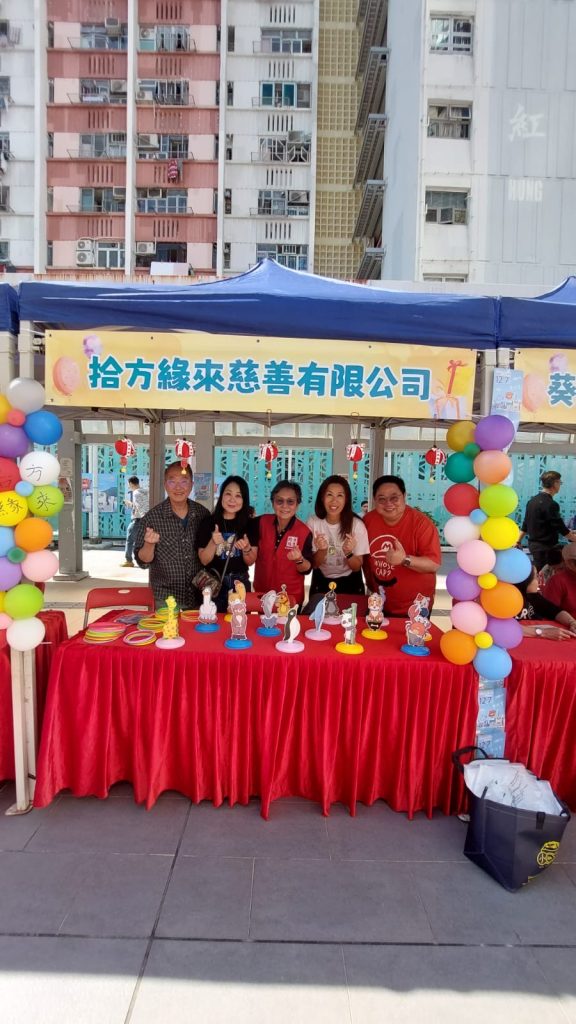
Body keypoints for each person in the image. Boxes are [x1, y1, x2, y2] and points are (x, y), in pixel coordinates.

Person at [133, 462, 209, 609]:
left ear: (192, 485)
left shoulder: (202, 514)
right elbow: (142, 562)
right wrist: (149, 544)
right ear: (165, 485)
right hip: (165, 599)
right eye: (172, 481)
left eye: (184, 481)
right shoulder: (152, 518)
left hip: (199, 597)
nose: (178, 487)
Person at [363, 474, 441, 617]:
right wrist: (370, 584)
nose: (388, 503)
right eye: (382, 499)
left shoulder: (421, 524)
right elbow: (365, 558)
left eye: (394, 498)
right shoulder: (368, 520)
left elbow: (433, 564)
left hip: (415, 607)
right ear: (374, 500)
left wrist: (404, 559)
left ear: (404, 496)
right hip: (380, 602)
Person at [196, 475, 259, 612]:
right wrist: (213, 542)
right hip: (213, 583)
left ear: (244, 499)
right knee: (212, 620)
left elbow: (250, 561)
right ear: (221, 496)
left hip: (239, 583)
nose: (232, 499)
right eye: (228, 494)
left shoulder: (250, 524)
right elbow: (204, 560)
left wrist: (246, 548)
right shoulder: (208, 522)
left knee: (238, 621)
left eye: (238, 496)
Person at [306, 475, 369, 600]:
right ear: (322, 498)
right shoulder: (313, 522)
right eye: (329, 495)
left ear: (346, 499)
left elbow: (356, 567)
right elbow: (314, 565)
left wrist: (348, 553)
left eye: (340, 495)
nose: (334, 501)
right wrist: (322, 550)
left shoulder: (357, 525)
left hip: (350, 582)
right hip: (321, 580)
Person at [253, 479, 313, 608]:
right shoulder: (261, 522)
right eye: (279, 501)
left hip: (290, 599)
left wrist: (299, 559)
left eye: (290, 501)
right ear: (273, 503)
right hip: (262, 596)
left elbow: (307, 569)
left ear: (297, 505)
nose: (285, 506)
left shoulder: (304, 532)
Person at [518, 471, 576, 571]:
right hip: (546, 548)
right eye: (560, 482)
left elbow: (525, 524)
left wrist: (518, 540)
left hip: (534, 546)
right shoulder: (551, 504)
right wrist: (574, 538)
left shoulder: (532, 501)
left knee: (540, 573)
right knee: (545, 575)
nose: (560, 485)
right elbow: (561, 528)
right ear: (554, 483)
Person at [516, 565, 576, 640]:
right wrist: (543, 632)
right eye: (536, 576)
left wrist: (572, 622)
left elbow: (555, 611)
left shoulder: (533, 596)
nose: (539, 579)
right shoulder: (506, 600)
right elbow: (504, 629)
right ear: (524, 581)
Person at [541, 541, 576, 618]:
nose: (557, 572)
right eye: (554, 569)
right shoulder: (555, 580)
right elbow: (549, 613)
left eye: (561, 568)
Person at [121, 476, 149, 567]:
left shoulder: (136, 493)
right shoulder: (144, 492)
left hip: (138, 520)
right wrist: (130, 504)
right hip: (144, 519)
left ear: (131, 483)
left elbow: (141, 507)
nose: (129, 486)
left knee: (129, 540)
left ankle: (128, 560)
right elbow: (140, 505)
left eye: (129, 484)